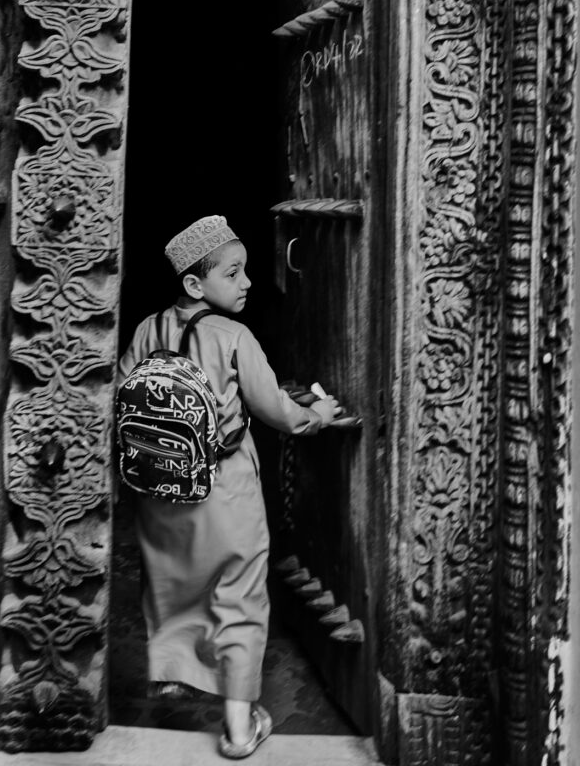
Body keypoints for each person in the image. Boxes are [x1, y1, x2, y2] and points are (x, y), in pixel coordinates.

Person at [116, 214, 341, 759]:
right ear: (196, 285)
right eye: (234, 273)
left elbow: (123, 392)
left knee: (173, 585)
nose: (246, 284)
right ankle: (240, 728)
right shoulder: (235, 336)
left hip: (160, 495)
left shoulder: (148, 329)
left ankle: (172, 673)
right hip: (223, 489)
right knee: (238, 595)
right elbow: (278, 413)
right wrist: (321, 415)